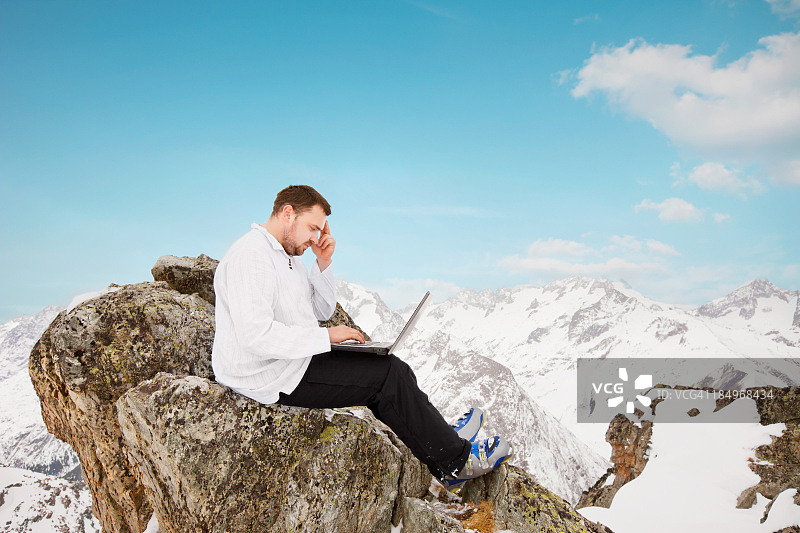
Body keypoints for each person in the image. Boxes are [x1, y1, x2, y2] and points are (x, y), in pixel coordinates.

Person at [211, 184, 513, 489]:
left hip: (289, 359)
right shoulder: (251, 256)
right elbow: (255, 335)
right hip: (266, 373)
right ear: (288, 213)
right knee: (386, 378)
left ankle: (441, 437)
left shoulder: (286, 255)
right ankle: (456, 464)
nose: (316, 237)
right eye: (312, 228)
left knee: (394, 366)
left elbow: (320, 307)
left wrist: (323, 261)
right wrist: (327, 337)